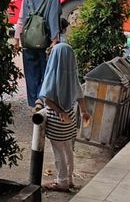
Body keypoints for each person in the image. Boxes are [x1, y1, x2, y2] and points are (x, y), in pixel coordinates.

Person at [37, 42, 90, 192]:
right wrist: (84, 112)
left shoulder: (53, 74)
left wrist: (60, 112)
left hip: (56, 119)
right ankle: (70, 179)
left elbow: (47, 99)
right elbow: (80, 95)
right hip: (71, 118)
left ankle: (61, 182)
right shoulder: (72, 76)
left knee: (58, 151)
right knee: (68, 149)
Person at [14, 0, 62, 108]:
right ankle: (41, 100)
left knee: (31, 73)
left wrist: (16, 39)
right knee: (47, 72)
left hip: (28, 41)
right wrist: (55, 40)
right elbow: (53, 20)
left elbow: (21, 19)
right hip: (45, 42)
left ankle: (33, 101)